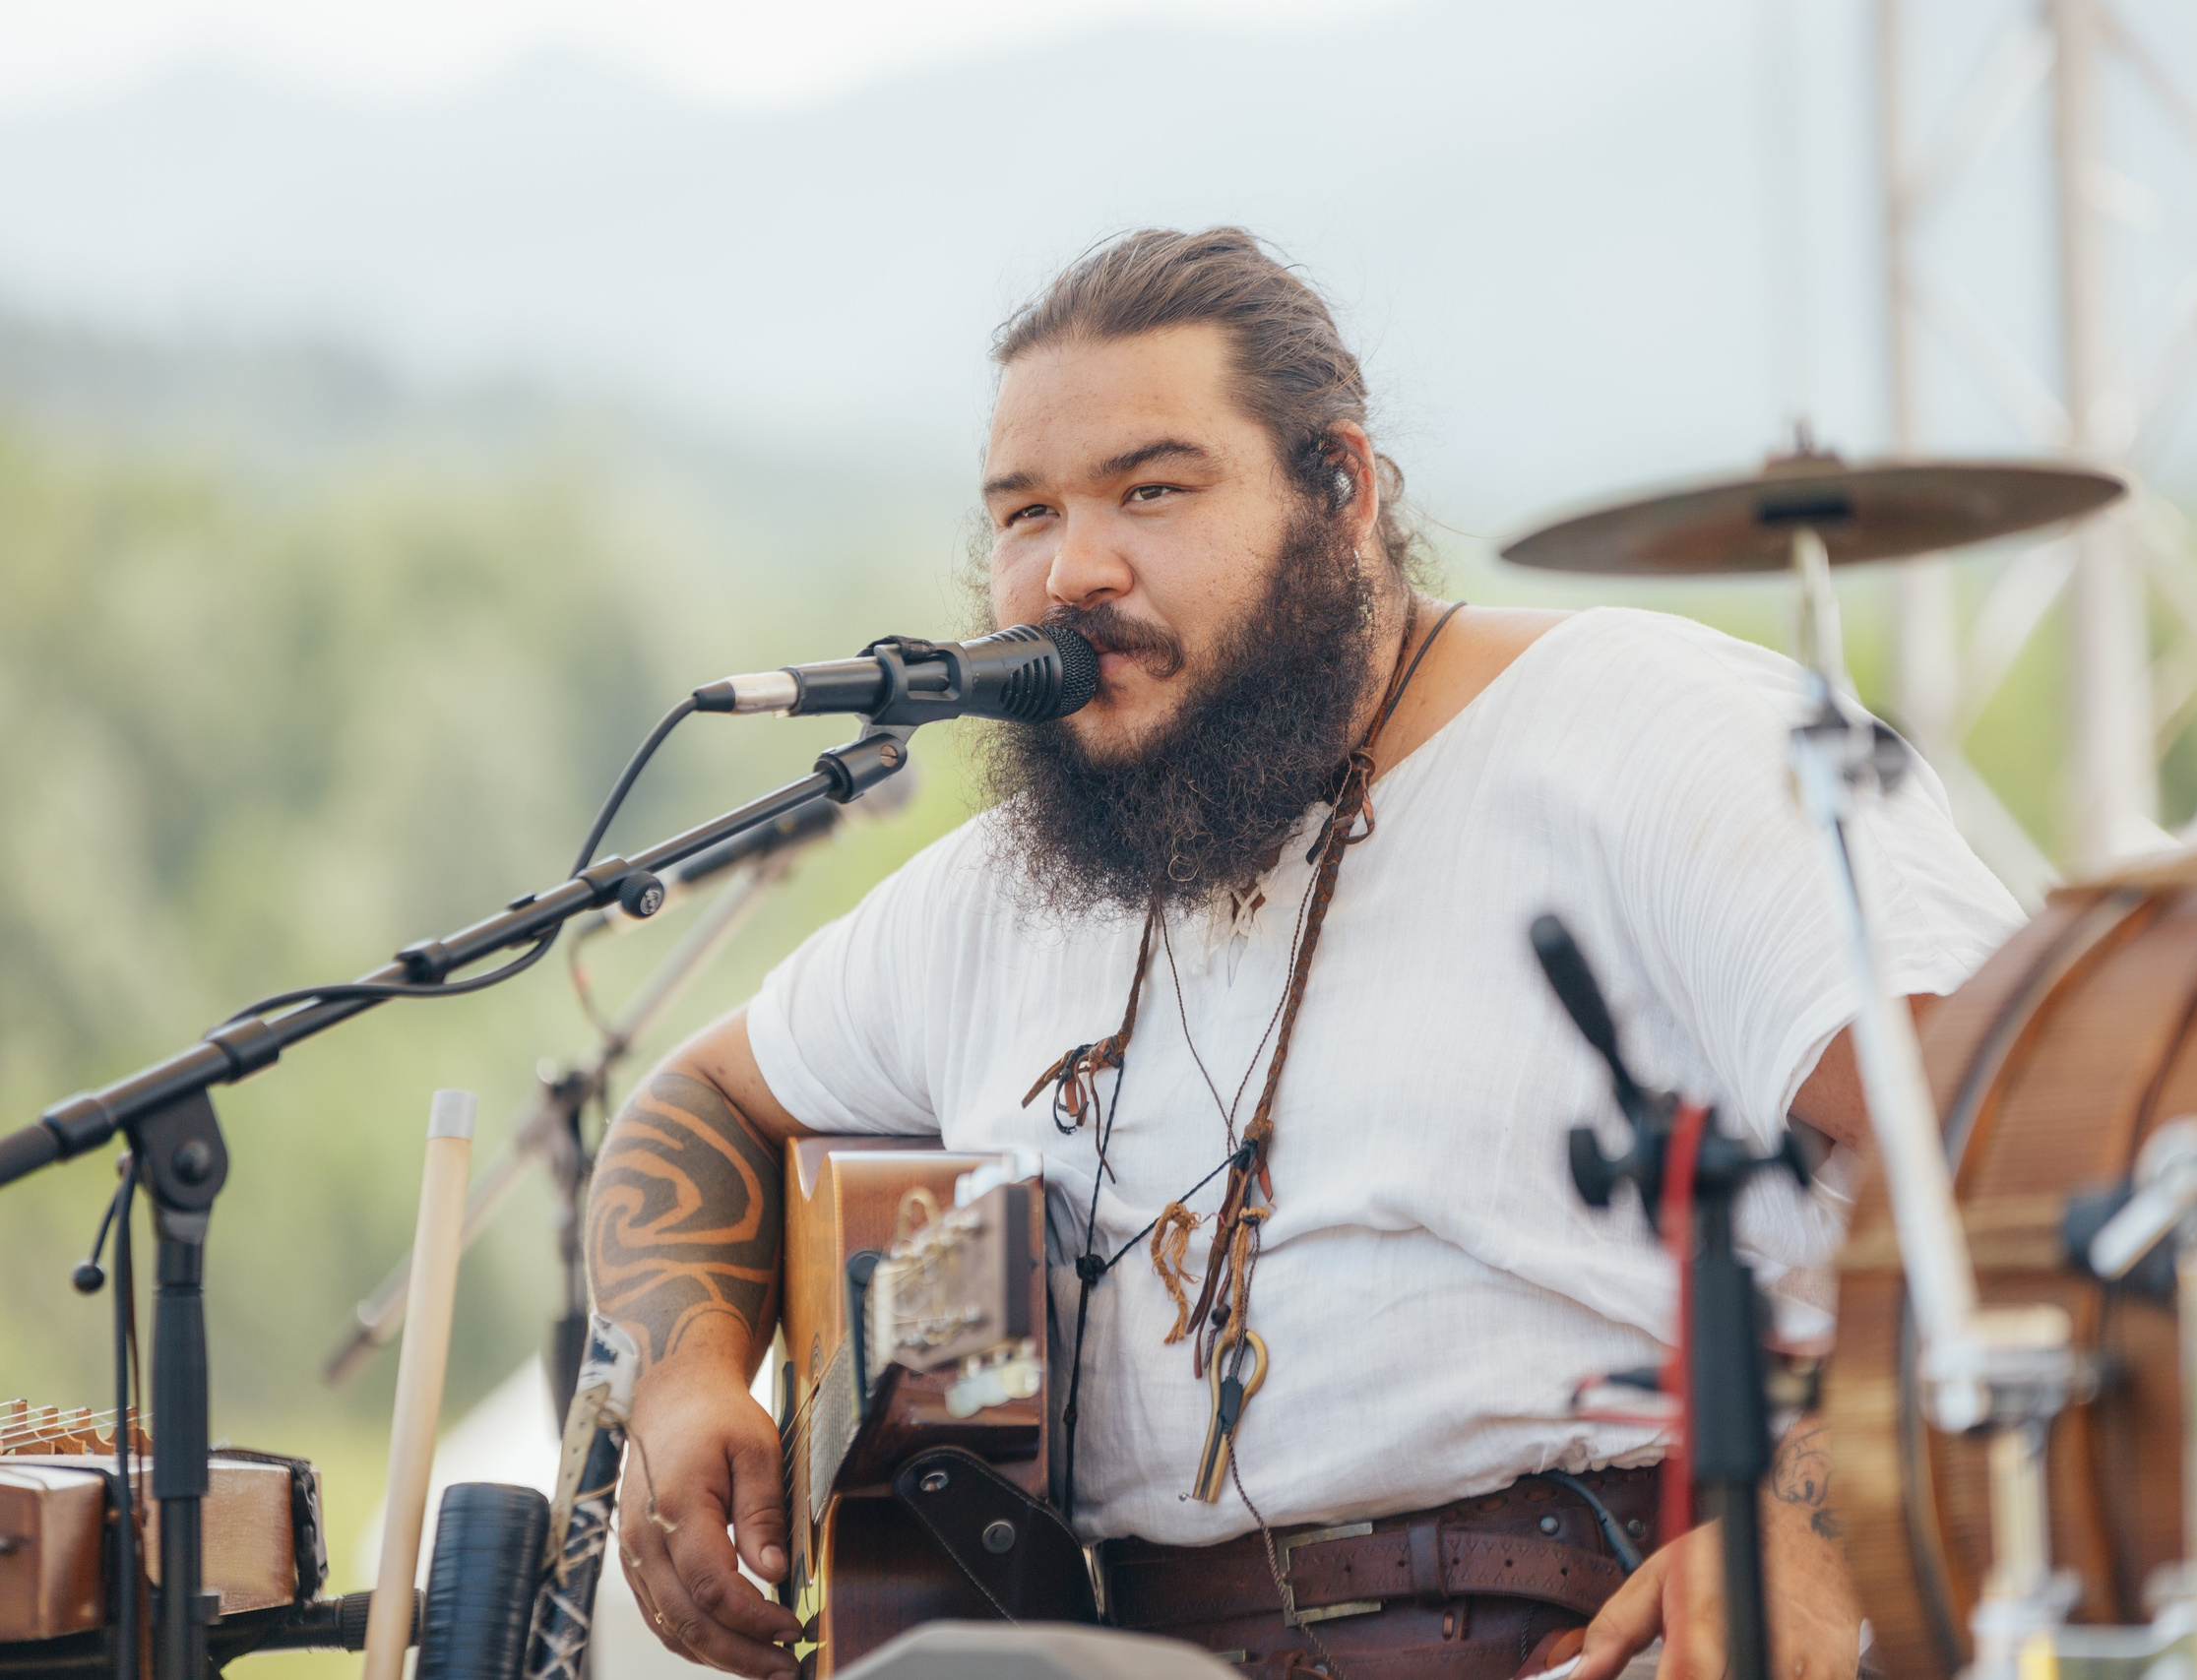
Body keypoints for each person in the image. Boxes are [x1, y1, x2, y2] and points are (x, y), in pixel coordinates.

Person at [586, 227, 2020, 1680]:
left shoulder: (1651, 735)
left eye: (1151, 489)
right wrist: (689, 1379)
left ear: (1341, 489)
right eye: (1025, 514)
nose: (1073, 568)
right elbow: (698, 1106)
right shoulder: (999, 898)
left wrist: (1820, 1529)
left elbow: (2030, 1145)